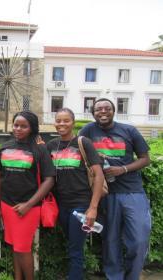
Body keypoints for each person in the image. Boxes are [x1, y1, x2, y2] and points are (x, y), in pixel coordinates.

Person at [79, 98, 151, 280]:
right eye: (98, 109)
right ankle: (114, 277)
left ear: (113, 111)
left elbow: (145, 158)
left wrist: (123, 169)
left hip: (131, 191)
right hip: (105, 193)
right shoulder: (87, 131)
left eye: (107, 108)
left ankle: (132, 275)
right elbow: (74, 150)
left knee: (139, 240)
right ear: (93, 112)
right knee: (110, 241)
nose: (103, 111)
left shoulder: (129, 130)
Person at [0, 111, 55, 280]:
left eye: (23, 126)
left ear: (32, 128)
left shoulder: (40, 149)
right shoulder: (4, 147)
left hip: (29, 208)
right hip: (7, 206)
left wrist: (28, 204)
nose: (18, 129)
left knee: (23, 248)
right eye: (16, 125)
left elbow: (49, 180)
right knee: (15, 246)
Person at [46, 108, 105, 280]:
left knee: (75, 248)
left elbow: (99, 175)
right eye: (58, 120)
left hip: (81, 204)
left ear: (73, 122)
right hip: (61, 205)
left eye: (66, 120)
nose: (61, 124)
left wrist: (92, 208)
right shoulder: (52, 145)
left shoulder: (82, 142)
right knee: (71, 243)